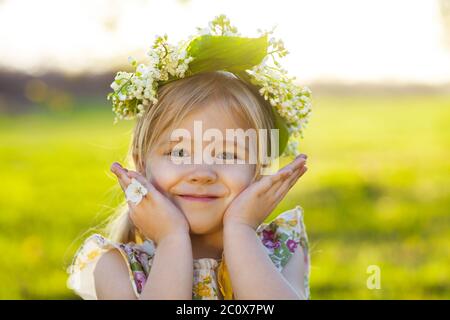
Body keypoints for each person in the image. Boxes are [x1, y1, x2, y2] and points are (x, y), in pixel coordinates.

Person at [66, 15, 312, 300]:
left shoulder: (281, 249)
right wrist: (172, 240)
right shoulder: (116, 266)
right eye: (180, 152)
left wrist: (241, 230)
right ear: (141, 163)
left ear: (258, 170)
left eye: (228, 154)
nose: (202, 172)